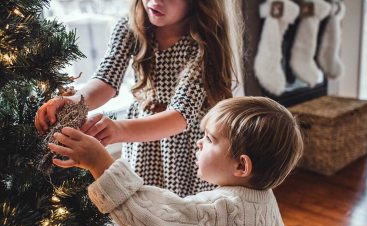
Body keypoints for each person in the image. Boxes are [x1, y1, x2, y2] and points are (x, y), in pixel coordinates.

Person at [35, 0, 243, 197]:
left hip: (185, 144)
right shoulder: (130, 26)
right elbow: (106, 79)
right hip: (142, 142)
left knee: (180, 210)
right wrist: (75, 101)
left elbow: (180, 116)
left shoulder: (201, 44)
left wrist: (118, 130)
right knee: (144, 206)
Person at [48, 96, 304, 226]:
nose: (198, 143)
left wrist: (100, 163)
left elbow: (149, 220)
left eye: (210, 139)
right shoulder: (264, 199)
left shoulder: (221, 208)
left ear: (241, 166)